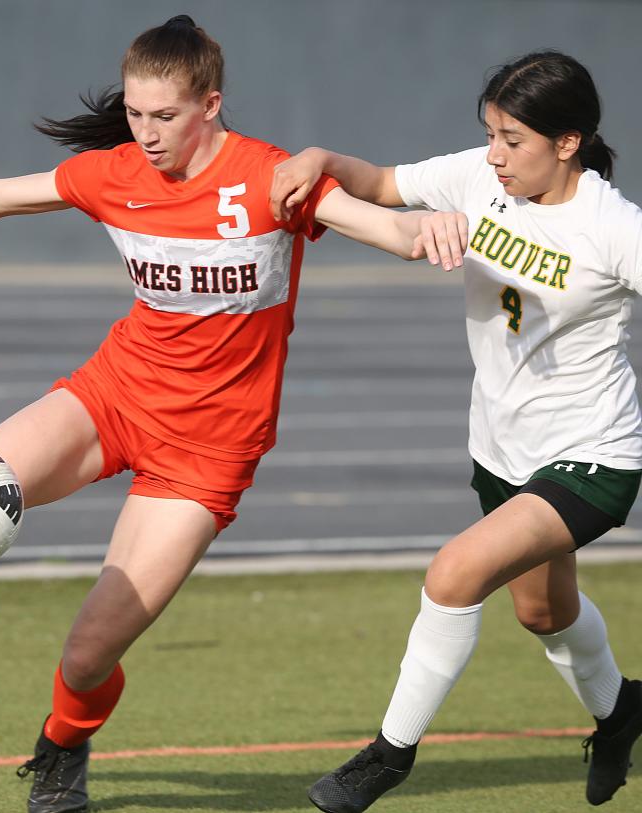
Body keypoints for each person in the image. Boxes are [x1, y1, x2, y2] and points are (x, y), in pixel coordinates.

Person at [0, 16, 461, 813]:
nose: (145, 134)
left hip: (206, 452)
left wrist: (423, 229)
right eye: (135, 115)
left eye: (164, 116)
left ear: (211, 104)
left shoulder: (272, 179)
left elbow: (380, 222)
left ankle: (62, 749)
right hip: (114, 394)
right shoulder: (114, 174)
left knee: (86, 654)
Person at [270, 50, 642, 812]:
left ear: (568, 142)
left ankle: (388, 756)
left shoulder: (613, 226)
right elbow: (376, 182)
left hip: (592, 455)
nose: (496, 155)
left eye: (514, 139)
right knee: (541, 610)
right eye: (491, 134)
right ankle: (623, 711)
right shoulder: (479, 175)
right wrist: (317, 157)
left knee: (454, 574)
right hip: (501, 448)